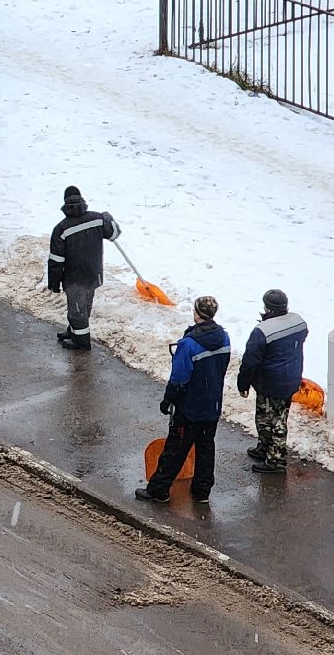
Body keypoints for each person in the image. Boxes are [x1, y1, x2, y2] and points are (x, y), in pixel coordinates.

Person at [137, 295, 231, 504]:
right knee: (206, 447)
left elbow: (179, 378)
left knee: (176, 449)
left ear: (197, 313)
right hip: (212, 404)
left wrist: (168, 400)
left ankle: (159, 489)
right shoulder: (224, 338)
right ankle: (202, 491)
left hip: (189, 408)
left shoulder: (188, 344)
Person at [236, 288, 307, 474]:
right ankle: (265, 448)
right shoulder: (298, 321)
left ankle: (276, 460)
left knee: (274, 420)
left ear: (267, 308)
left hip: (271, 383)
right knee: (266, 416)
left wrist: (243, 384)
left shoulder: (262, 331)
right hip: (291, 378)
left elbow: (250, 361)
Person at [46, 185, 119, 350]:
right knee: (83, 306)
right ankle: (74, 331)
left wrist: (54, 282)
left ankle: (81, 341)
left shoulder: (61, 229)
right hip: (93, 274)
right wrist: (108, 218)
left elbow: (56, 260)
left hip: (75, 278)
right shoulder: (97, 219)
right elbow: (114, 234)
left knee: (77, 310)